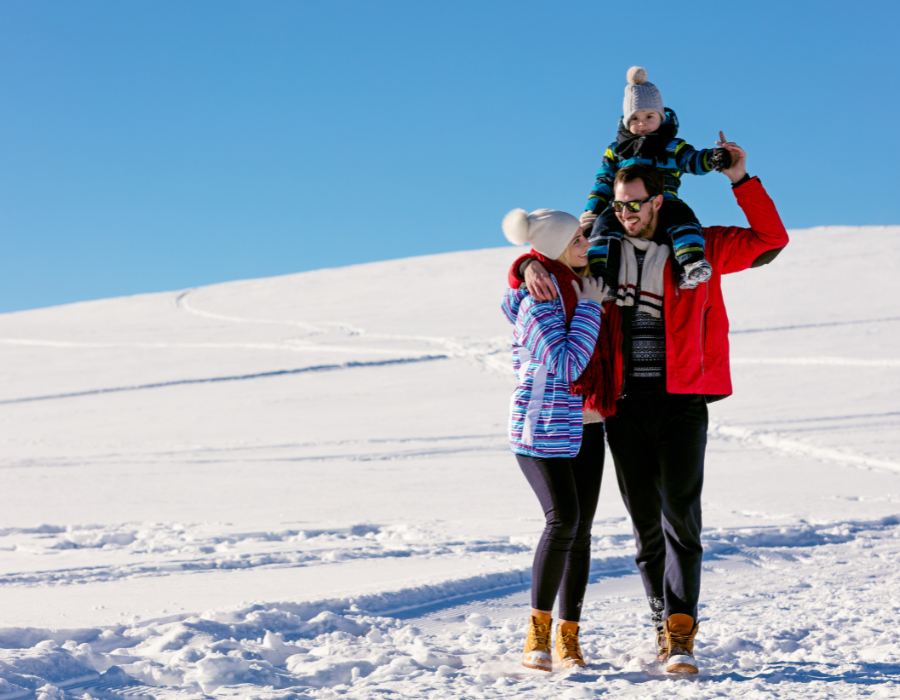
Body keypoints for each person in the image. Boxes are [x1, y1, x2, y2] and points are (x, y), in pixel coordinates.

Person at [507, 141, 789, 674]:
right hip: (624, 406)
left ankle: (681, 634)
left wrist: (742, 180)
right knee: (645, 526)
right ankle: (661, 620)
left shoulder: (700, 249)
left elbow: (771, 239)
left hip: (683, 401)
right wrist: (523, 266)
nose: (625, 213)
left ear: (659, 201)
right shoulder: (603, 250)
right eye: (618, 205)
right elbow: (554, 254)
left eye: (635, 204)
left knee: (682, 517)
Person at [500, 207, 611, 672]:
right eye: (579, 240)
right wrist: (589, 307)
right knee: (562, 520)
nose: (588, 245)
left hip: (588, 424)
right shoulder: (540, 297)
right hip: (543, 427)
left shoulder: (572, 280)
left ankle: (570, 634)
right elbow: (565, 365)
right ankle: (539, 630)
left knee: (581, 532)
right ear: (557, 248)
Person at [582, 66, 732, 293]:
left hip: (665, 199)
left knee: (682, 217)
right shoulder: (617, 151)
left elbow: (692, 160)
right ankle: (604, 278)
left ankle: (690, 262)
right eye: (635, 118)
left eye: (649, 116)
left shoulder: (672, 147)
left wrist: (713, 159)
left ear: (661, 118)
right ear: (625, 122)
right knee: (603, 227)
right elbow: (603, 182)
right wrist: (592, 212)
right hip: (625, 207)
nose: (642, 123)